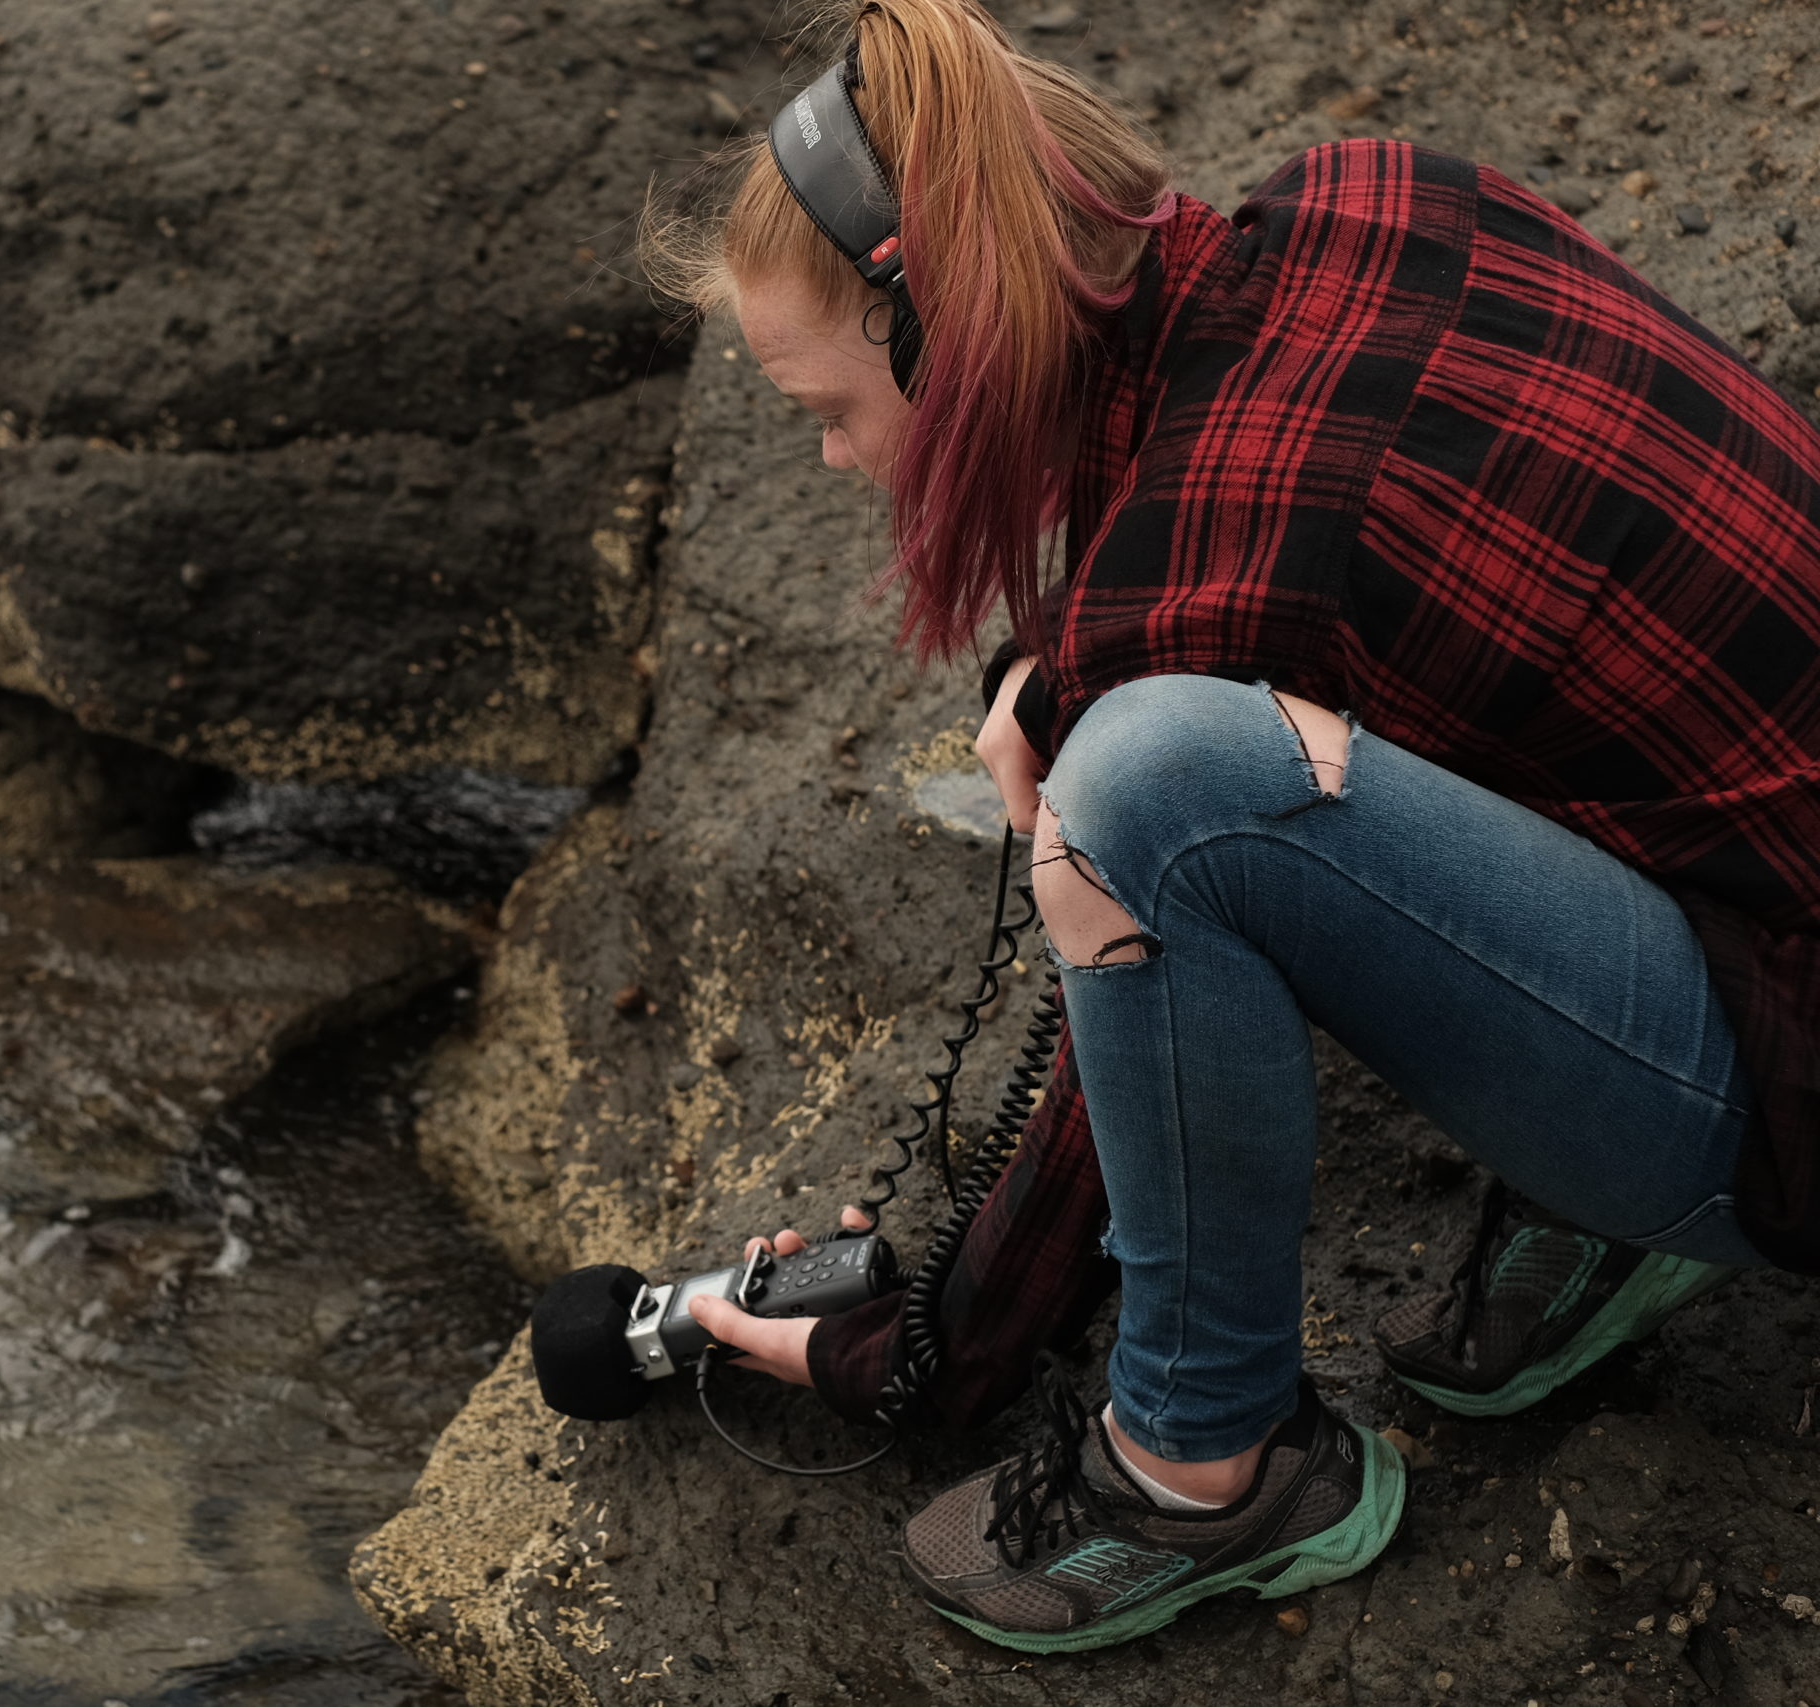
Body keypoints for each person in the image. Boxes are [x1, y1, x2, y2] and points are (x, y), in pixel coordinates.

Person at [648, 0, 1820, 1656]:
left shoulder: (1205, 595)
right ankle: (1599, 1208)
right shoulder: (1370, 190)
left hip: (1781, 1087)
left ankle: (1205, 1469)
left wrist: (913, 1353)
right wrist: (1089, 639)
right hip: (1748, 910)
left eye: (827, 406)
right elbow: (1317, 530)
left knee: (1155, 782)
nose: (837, 457)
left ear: (958, 347)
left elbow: (1111, 1051)